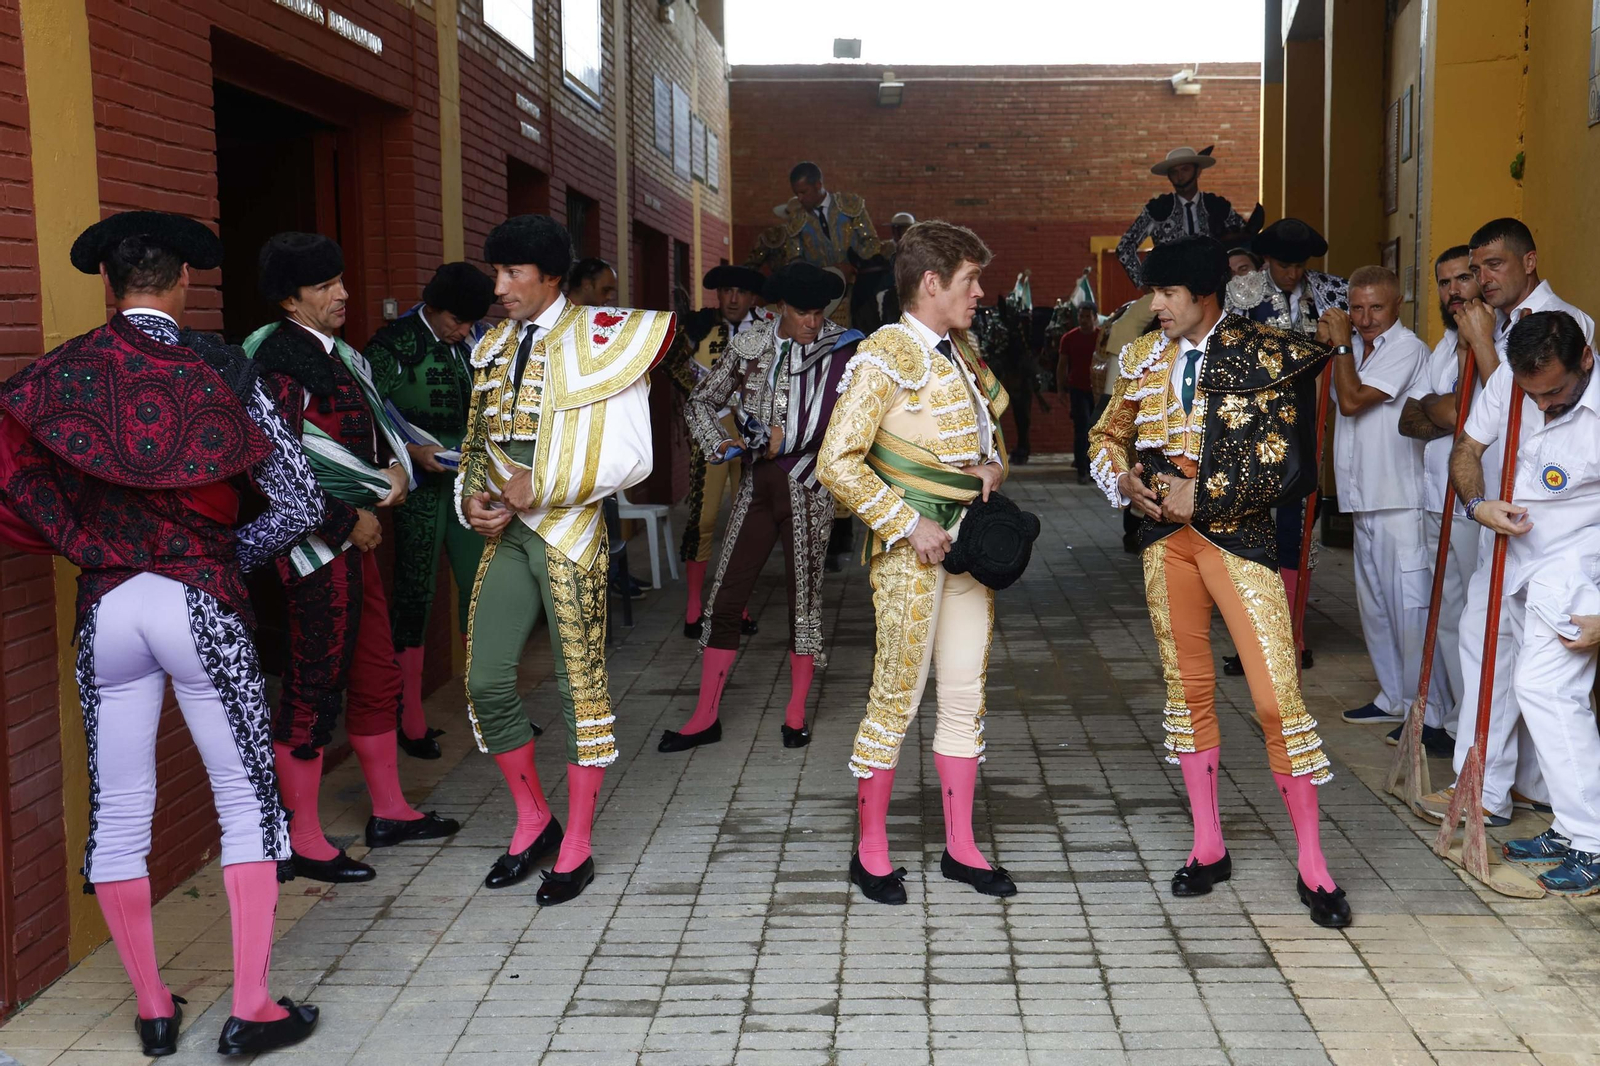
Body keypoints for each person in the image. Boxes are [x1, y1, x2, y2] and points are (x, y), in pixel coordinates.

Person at [0, 212, 320, 1055]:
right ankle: (251, 1010)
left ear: (107, 285)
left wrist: (85, 543)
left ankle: (151, 1011)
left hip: (108, 608)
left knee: (120, 810)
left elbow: (17, 478)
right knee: (246, 800)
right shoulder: (220, 365)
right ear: (183, 280)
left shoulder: (61, 373)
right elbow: (298, 500)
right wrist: (222, 557)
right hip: (198, 601)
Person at [1088, 236, 1348, 928]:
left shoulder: (1266, 350)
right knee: (1188, 689)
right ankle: (1208, 845)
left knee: (1274, 700)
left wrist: (1199, 498)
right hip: (1164, 545)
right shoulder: (1141, 356)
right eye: (1154, 294)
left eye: (1168, 295)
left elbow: (1289, 463)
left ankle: (1313, 864)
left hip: (1238, 542)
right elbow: (1107, 433)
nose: (1156, 306)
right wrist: (1121, 479)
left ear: (1203, 294)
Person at [457, 215, 675, 904]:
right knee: (487, 679)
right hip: (509, 531)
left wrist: (540, 483)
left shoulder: (606, 338)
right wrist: (472, 498)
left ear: (551, 275)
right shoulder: (490, 344)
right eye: (497, 273)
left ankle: (576, 843)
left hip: (569, 530)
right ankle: (533, 819)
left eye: (512, 273)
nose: (499, 288)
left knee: (581, 688)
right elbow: (475, 438)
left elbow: (633, 454)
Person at [248, 233, 460, 884]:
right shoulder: (273, 360)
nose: (343, 294)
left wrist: (394, 466)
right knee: (311, 687)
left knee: (376, 670)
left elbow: (372, 428)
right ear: (290, 297)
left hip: (356, 537)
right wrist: (361, 507)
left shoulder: (334, 352)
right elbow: (275, 458)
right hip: (313, 545)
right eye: (325, 286)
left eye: (341, 280)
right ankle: (302, 839)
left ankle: (390, 809)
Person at [817, 220, 1016, 905]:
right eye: (970, 281)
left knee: (964, 694)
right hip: (912, 555)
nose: (980, 293)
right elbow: (835, 461)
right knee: (895, 697)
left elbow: (989, 444)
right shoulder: (886, 354)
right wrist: (907, 525)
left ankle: (961, 847)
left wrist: (992, 469)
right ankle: (871, 850)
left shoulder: (961, 353)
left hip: (969, 548)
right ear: (931, 283)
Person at [1418, 218, 1595, 825]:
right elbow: (1472, 436)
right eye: (1475, 267)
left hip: (1570, 559)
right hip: (1505, 536)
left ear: (1529, 261)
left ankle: (1559, 812)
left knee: (1546, 686)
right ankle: (1483, 789)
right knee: (1485, 653)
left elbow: (1535, 409)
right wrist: (1477, 505)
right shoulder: (1492, 339)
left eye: (1492, 264)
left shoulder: (1567, 329)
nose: (1481, 278)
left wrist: (1487, 347)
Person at [660, 262, 865, 753]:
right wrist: (722, 446)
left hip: (810, 486)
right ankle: (705, 715)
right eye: (802, 313)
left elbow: (851, 417)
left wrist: (781, 438)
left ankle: (795, 713)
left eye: (820, 312)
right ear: (777, 310)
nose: (814, 323)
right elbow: (702, 401)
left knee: (804, 602)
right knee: (725, 597)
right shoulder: (749, 345)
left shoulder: (847, 349)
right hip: (755, 484)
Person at [1450, 312, 1600, 895]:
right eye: (1532, 395)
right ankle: (1570, 827)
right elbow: (1465, 448)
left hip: (1581, 565)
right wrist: (1478, 504)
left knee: (1547, 688)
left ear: (1586, 358)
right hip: (1516, 560)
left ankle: (1593, 841)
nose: (1543, 406)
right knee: (1520, 686)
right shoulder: (1513, 382)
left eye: (1555, 394)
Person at [363, 262, 496, 760]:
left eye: (470, 323)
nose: (465, 331)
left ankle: (489, 706)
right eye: (458, 321)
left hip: (471, 478)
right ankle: (411, 719)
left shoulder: (476, 342)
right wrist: (410, 454)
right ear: (434, 307)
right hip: (417, 480)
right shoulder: (391, 347)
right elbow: (369, 414)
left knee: (482, 581)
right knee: (415, 589)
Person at [1226, 219, 1350, 674]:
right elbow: (1234, 361)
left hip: (1307, 429)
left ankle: (1292, 634)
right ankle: (1254, 637)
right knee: (1251, 529)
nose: (1293, 274)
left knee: (1299, 531)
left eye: (1299, 265)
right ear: (1266, 261)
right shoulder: (1241, 292)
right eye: (1283, 265)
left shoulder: (1331, 291)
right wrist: (1308, 346)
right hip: (1254, 429)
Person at [1392, 246, 1494, 757]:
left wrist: (1444, 410)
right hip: (1437, 500)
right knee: (1448, 613)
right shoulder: (1444, 345)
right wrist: (1444, 410)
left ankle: (1477, 729)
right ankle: (1454, 721)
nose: (1453, 290)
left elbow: (1463, 414)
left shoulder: (1492, 340)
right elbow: (1410, 419)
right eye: (1444, 281)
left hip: (1477, 503)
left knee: (1475, 616)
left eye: (1462, 279)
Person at [1322, 268, 1431, 730]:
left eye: (1376, 308)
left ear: (1398, 304)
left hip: (1400, 500)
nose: (1365, 318)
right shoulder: (1357, 349)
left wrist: (1342, 344)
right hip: (1362, 497)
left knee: (1409, 609)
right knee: (1377, 608)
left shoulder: (1407, 348)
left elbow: (1351, 401)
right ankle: (1391, 696)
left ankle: (1420, 707)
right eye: (1357, 308)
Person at [671, 264, 771, 638]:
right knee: (704, 518)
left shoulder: (768, 329)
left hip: (753, 429)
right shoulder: (698, 325)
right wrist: (698, 395)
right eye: (726, 290)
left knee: (747, 520)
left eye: (740, 292)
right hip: (711, 427)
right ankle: (695, 606)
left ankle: (736, 605)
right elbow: (670, 362)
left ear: (752, 297)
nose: (732, 298)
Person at [745, 161, 887, 326]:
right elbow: (795, 262)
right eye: (796, 193)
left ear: (818, 185)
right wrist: (826, 273)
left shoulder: (850, 204)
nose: (799, 198)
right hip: (821, 298)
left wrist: (854, 265)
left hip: (860, 289)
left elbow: (871, 242)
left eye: (803, 192)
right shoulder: (796, 220)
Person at [1116, 146, 1247, 288]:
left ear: (1198, 171)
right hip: (1171, 288)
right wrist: (1144, 284)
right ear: (1169, 176)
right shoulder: (1158, 209)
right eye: (1174, 172)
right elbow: (1124, 246)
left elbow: (1246, 240)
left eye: (1185, 169)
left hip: (1214, 288)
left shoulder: (1217, 206)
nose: (1180, 176)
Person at [1057, 303, 1100, 485]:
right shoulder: (1069, 338)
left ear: (1095, 318)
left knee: (1096, 430)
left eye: (1087, 317)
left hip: (1098, 391)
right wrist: (1060, 389)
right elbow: (1062, 365)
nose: (1083, 320)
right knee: (1081, 429)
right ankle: (1081, 469)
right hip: (1077, 389)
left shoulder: (1101, 338)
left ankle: (1095, 470)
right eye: (1081, 316)